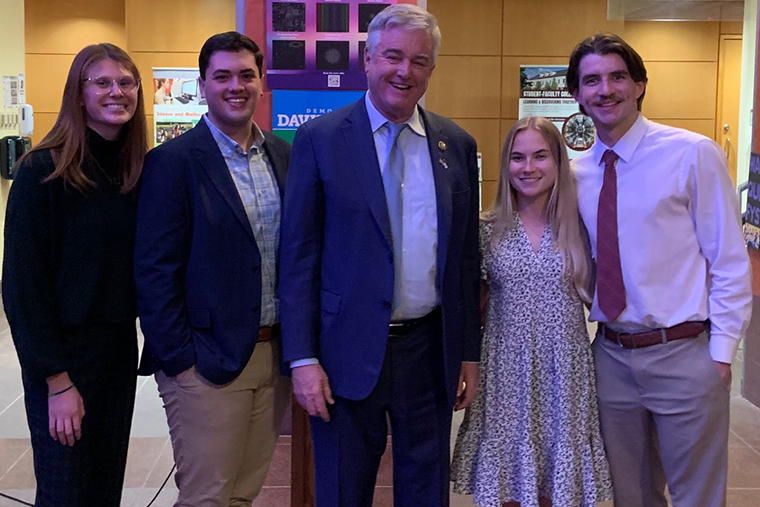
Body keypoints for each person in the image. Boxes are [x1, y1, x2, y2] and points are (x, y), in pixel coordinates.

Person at [279, 4, 480, 507]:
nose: (404, 71)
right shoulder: (321, 139)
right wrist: (302, 357)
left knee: (425, 491)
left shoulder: (455, 145)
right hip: (344, 353)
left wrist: (469, 354)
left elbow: (463, 261)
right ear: (368, 59)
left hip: (428, 352)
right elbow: (298, 257)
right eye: (393, 56)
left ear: (432, 69)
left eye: (419, 61)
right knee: (345, 490)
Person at [567, 32, 752, 507]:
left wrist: (721, 354)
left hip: (685, 353)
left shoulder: (692, 154)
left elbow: (729, 261)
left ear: (640, 85)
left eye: (617, 76)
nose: (605, 89)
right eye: (591, 80)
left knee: (697, 496)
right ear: (576, 94)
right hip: (610, 357)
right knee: (631, 495)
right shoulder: (576, 174)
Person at [134, 31, 291, 507]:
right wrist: (180, 361)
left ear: (262, 82)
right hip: (205, 362)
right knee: (207, 498)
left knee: (243, 495)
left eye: (246, 75)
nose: (235, 85)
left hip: (274, 355)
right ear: (202, 85)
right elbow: (153, 270)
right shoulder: (172, 162)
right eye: (221, 76)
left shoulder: (284, 156)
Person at [2, 43, 147, 507]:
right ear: (78, 93)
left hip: (116, 356)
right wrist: (57, 381)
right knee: (66, 492)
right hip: (63, 362)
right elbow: (23, 289)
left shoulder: (137, 171)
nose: (116, 92)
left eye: (126, 82)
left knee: (104, 490)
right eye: (101, 82)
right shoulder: (41, 171)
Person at [450, 116, 612, 507]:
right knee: (509, 481)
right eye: (518, 157)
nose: (528, 167)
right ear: (505, 165)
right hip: (505, 368)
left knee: (555, 485)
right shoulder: (486, 229)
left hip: (565, 368)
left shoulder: (582, 225)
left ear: (559, 162)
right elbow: (473, 304)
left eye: (540, 156)